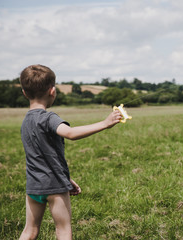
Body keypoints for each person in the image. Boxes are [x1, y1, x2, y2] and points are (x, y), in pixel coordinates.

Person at [19, 64, 122, 240]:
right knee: (64, 231)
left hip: (34, 185)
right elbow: (70, 133)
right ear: (52, 91)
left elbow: (44, 156)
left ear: (24, 92)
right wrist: (105, 123)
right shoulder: (49, 117)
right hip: (55, 186)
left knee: (30, 231)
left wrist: (65, 178)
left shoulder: (25, 121)